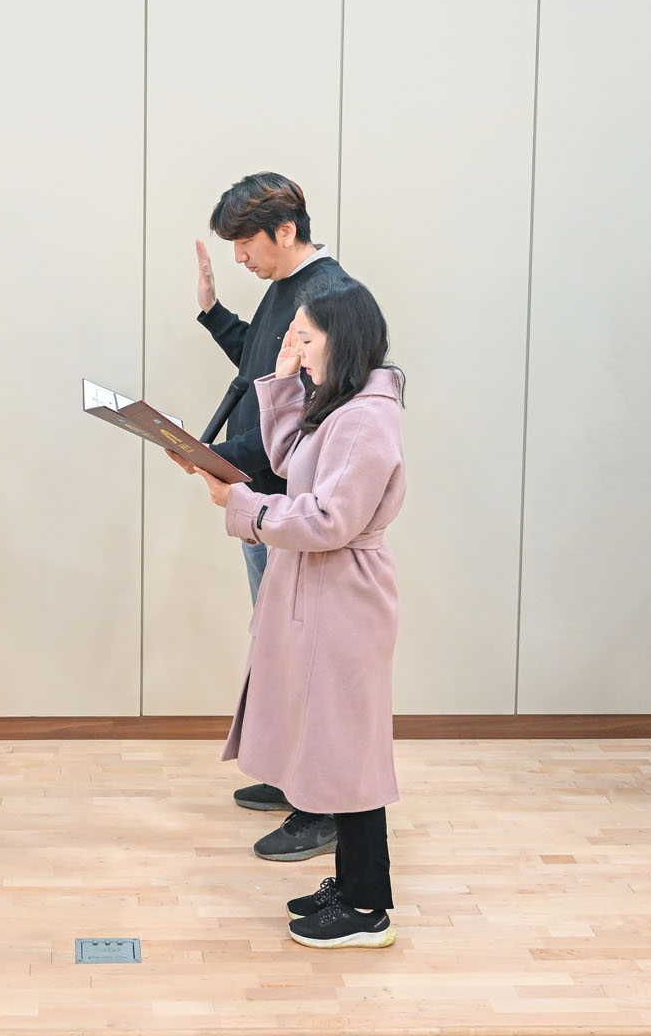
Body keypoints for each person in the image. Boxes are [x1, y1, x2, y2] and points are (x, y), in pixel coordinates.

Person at [182, 278, 406, 949]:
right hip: (322, 589)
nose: (299, 349)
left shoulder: (365, 419)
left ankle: (367, 909)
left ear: (345, 340)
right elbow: (289, 461)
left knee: (349, 747)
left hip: (345, 594)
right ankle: (353, 884)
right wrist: (282, 381)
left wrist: (242, 506)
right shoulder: (342, 406)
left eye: (306, 338)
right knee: (333, 741)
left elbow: (331, 518)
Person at [195, 172, 346, 862]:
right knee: (281, 648)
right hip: (262, 500)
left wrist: (219, 458)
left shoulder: (329, 298)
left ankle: (324, 807)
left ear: (285, 232)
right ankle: (294, 778)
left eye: (245, 244)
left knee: (305, 654)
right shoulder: (286, 289)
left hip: (293, 509)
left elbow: (307, 418)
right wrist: (213, 313)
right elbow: (265, 372)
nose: (238, 258)